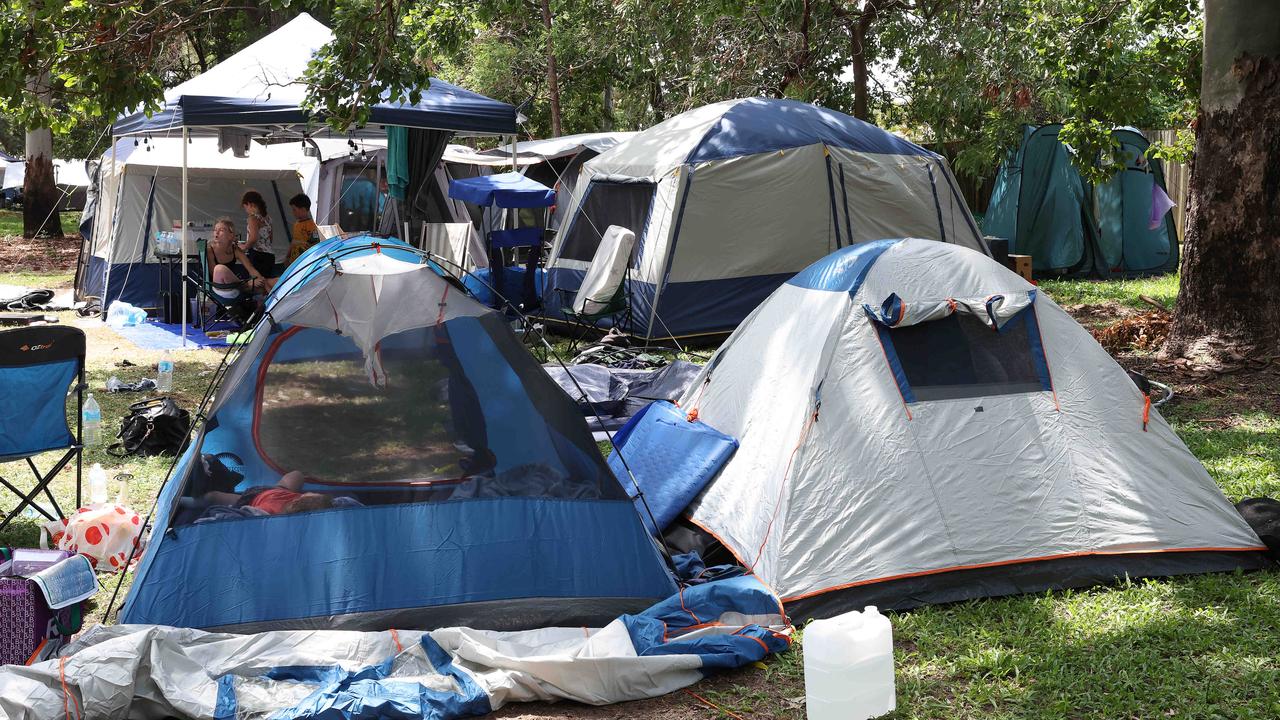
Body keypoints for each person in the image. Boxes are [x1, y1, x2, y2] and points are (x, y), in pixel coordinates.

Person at [202, 470, 335, 515]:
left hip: (253, 496)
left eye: (309, 494)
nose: (309, 492)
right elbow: (344, 502)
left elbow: (245, 513)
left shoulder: (265, 513)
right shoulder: (302, 504)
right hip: (281, 490)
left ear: (297, 501)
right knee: (297, 475)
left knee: (213, 496)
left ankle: (183, 501)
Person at [207, 218, 273, 300]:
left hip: (236, 288)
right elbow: (214, 273)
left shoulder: (236, 250)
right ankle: (246, 284)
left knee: (275, 281)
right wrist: (247, 283)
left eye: (221, 230)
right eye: (215, 230)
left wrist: (263, 282)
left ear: (230, 235)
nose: (216, 232)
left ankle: (272, 301)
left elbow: (252, 270)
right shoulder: (210, 250)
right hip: (219, 288)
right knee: (219, 268)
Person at [240, 190, 278, 278]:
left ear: (250, 204)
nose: (246, 210)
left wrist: (244, 247)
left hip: (257, 254)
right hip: (270, 255)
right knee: (266, 282)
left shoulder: (252, 218)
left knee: (256, 282)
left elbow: (253, 238)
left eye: (245, 207)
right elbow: (270, 238)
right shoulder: (268, 218)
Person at [285, 193, 321, 265]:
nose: (293, 212)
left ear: (303, 209)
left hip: (305, 261)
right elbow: (293, 241)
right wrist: (287, 256)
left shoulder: (311, 226)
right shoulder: (296, 224)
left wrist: (299, 243)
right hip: (294, 261)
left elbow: (314, 244)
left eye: (294, 210)